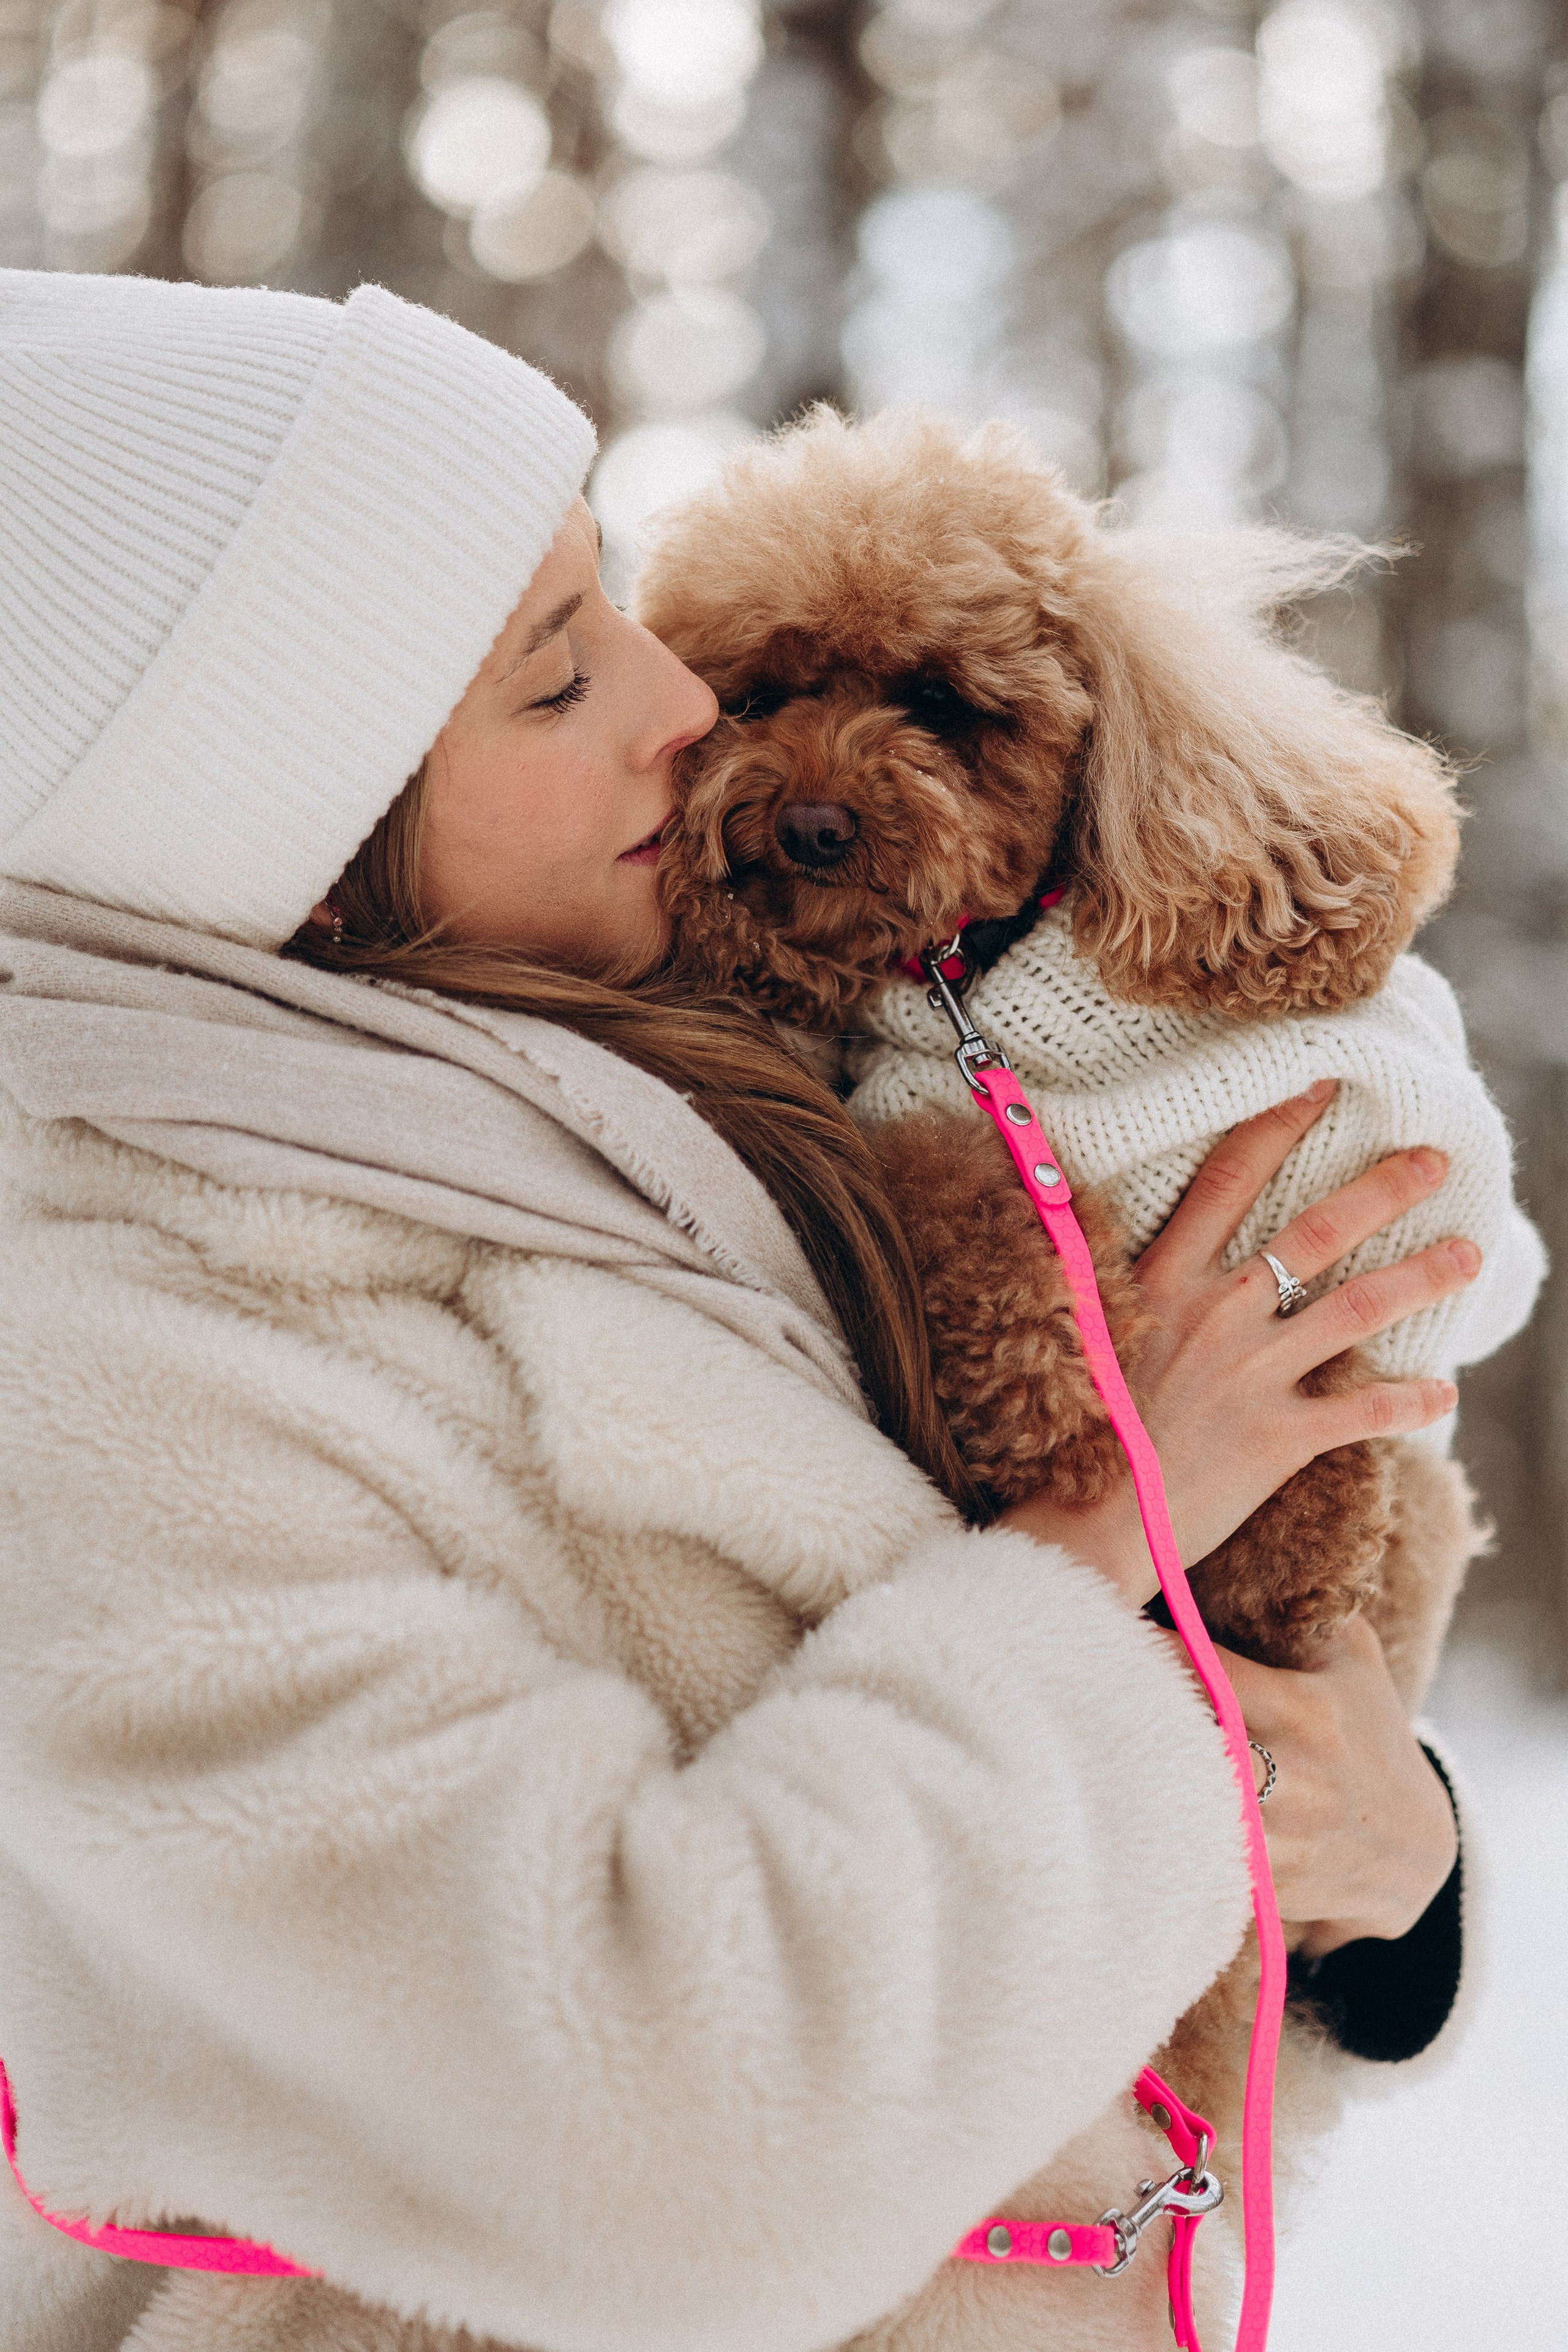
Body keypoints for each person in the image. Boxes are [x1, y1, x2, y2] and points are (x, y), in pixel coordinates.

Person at [0, 270, 1476, 2352]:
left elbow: (1232, 1722)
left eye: (612, 595)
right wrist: (1098, 1548)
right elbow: (674, 2160)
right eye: (552, 675)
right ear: (306, 840)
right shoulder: (109, 1372)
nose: (680, 701)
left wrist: (1395, 1873)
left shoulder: (725, 1089)